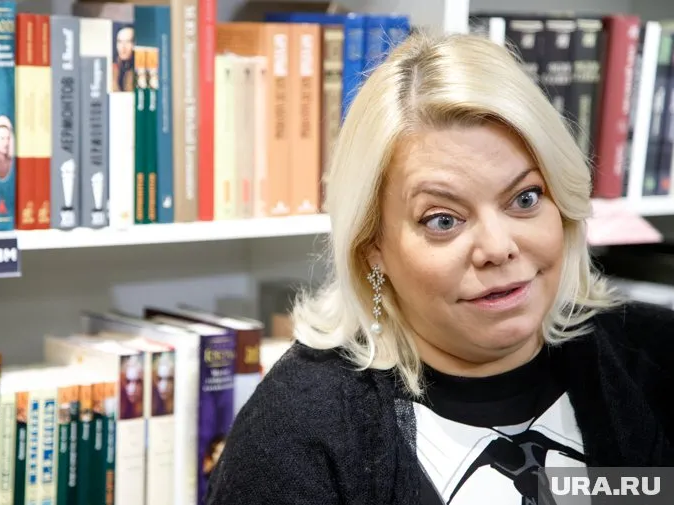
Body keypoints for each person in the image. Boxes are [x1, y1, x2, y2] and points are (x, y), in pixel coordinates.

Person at [205, 30, 674, 505]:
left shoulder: (655, 358)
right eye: (443, 220)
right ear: (372, 248)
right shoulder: (295, 432)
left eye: (525, 198)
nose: (498, 247)